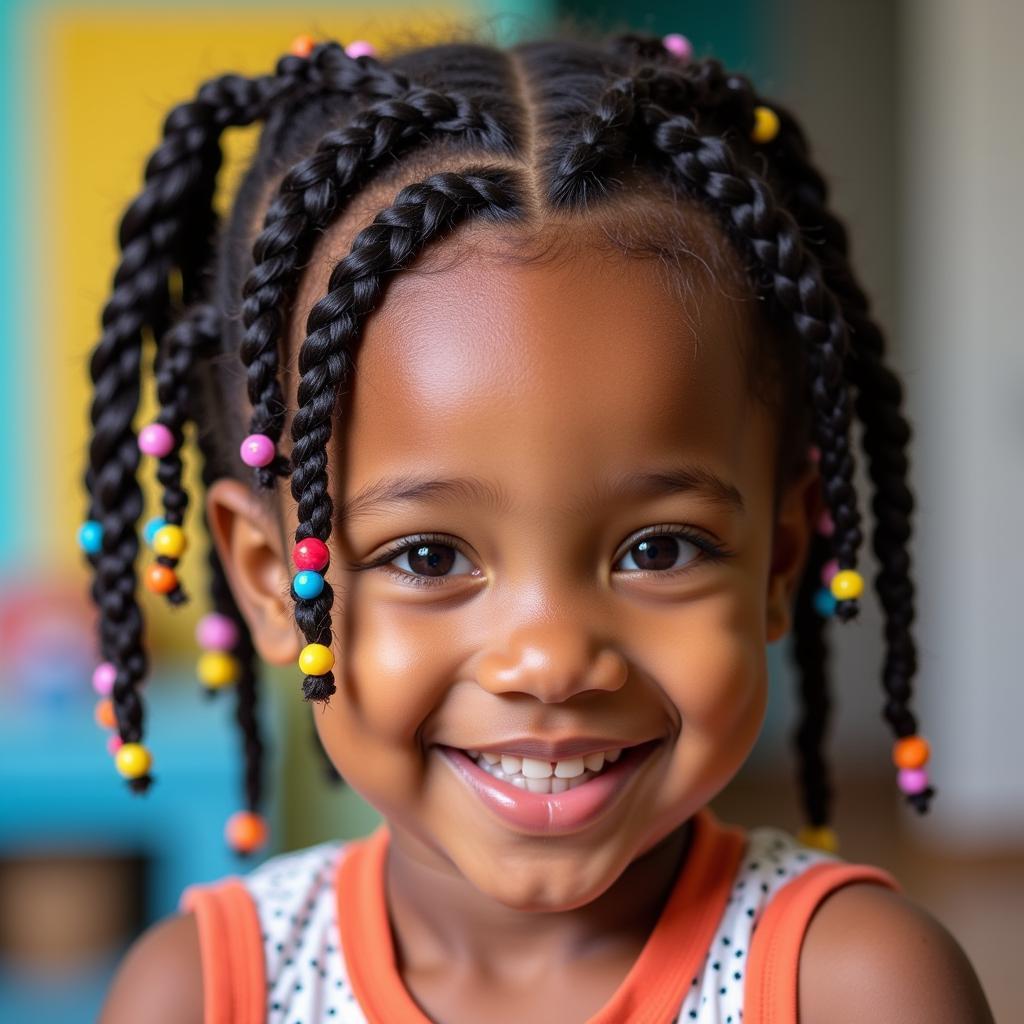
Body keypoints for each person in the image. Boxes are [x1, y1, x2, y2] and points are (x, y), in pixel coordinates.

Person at [82, 26, 995, 1023]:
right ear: (269, 578)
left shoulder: (859, 991)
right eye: (428, 556)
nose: (552, 659)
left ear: (780, 557)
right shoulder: (205, 994)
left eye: (659, 547)